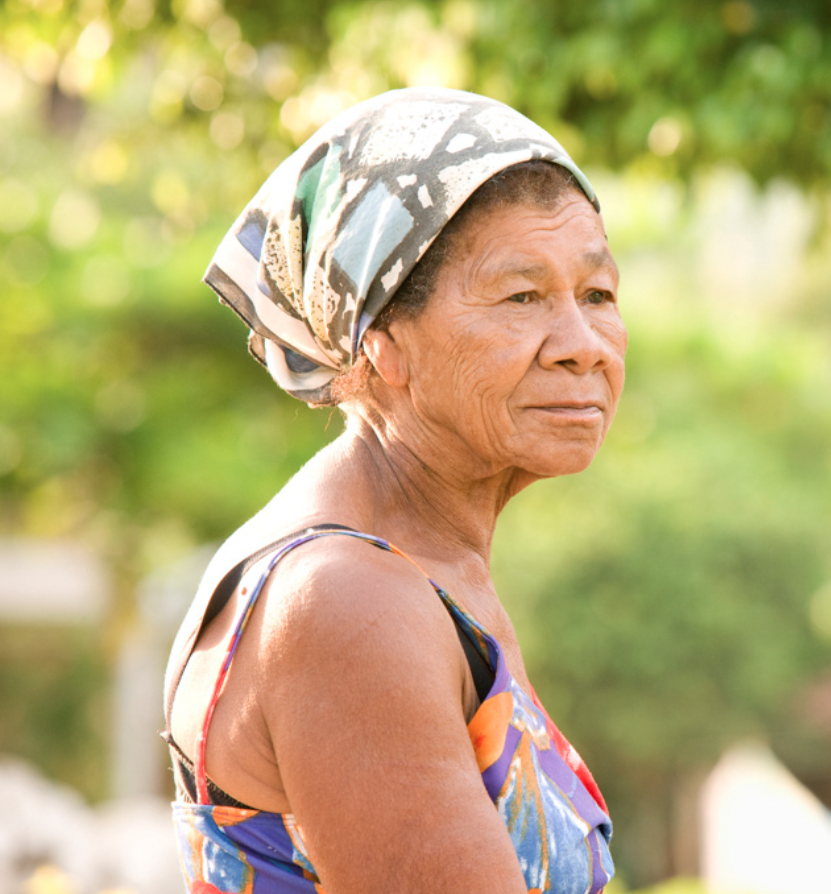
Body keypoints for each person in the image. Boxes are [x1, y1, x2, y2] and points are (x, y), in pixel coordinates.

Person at [161, 88, 623, 894]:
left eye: (596, 295)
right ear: (382, 345)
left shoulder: (421, 565)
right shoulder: (345, 601)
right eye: (522, 297)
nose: (582, 347)